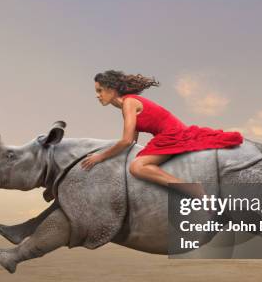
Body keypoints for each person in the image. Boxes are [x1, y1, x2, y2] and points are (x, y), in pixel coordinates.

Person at [80, 70, 243, 198]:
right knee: (134, 161)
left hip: (172, 135)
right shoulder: (128, 104)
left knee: (137, 167)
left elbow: (126, 140)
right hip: (168, 134)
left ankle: (195, 192)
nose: (97, 95)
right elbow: (131, 142)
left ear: (112, 89)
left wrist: (100, 157)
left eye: (100, 90)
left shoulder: (129, 103)